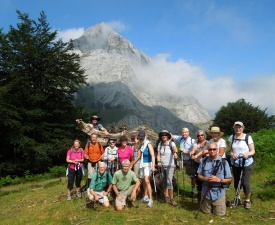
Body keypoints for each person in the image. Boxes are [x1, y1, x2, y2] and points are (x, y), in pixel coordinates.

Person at [197, 143, 232, 216]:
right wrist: (205, 179)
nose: (212, 151)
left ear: (217, 150)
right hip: (206, 191)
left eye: (214, 149)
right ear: (208, 151)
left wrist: (219, 180)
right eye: (210, 149)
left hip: (219, 192)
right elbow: (199, 175)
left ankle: (224, 200)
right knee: (205, 212)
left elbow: (229, 179)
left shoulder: (224, 162)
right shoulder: (203, 161)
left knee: (220, 214)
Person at [229, 121, 255, 209]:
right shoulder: (232, 137)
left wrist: (247, 154)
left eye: (239, 127)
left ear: (242, 128)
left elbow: (252, 151)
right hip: (236, 163)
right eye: (236, 127)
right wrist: (232, 154)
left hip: (246, 163)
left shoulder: (248, 137)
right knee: (237, 182)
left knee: (245, 182)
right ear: (234, 128)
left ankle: (247, 200)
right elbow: (231, 150)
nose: (238, 129)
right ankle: (238, 198)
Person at [157, 130, 178, 206]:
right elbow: (158, 154)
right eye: (162, 135)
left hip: (170, 165)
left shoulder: (171, 143)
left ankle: (172, 199)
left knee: (169, 181)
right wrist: (158, 161)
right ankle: (166, 196)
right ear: (161, 136)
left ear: (168, 136)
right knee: (164, 181)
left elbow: (175, 149)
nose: (164, 136)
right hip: (162, 165)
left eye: (165, 135)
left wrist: (175, 153)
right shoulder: (160, 144)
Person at [172, 127, 195, 196]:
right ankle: (172, 186)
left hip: (189, 160)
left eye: (185, 132)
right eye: (183, 132)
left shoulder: (192, 141)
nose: (184, 133)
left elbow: (194, 152)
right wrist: (166, 134)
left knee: (192, 176)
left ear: (188, 133)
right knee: (173, 170)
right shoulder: (181, 138)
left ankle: (192, 191)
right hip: (181, 159)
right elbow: (172, 136)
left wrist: (185, 151)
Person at [137, 130, 156, 208]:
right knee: (144, 181)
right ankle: (145, 196)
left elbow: (153, 155)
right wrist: (137, 143)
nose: (141, 139)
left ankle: (150, 200)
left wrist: (153, 166)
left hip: (148, 164)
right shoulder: (142, 144)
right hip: (142, 164)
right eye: (140, 138)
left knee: (147, 181)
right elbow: (137, 151)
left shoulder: (148, 144)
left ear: (145, 137)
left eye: (142, 138)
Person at [190, 130, 210, 202]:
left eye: (202, 135)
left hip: (205, 163)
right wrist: (192, 152)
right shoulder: (196, 142)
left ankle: (204, 194)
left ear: (204, 136)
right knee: (197, 178)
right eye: (198, 135)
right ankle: (199, 194)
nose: (200, 136)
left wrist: (195, 156)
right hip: (197, 163)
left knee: (204, 178)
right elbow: (194, 148)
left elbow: (204, 151)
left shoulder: (208, 143)